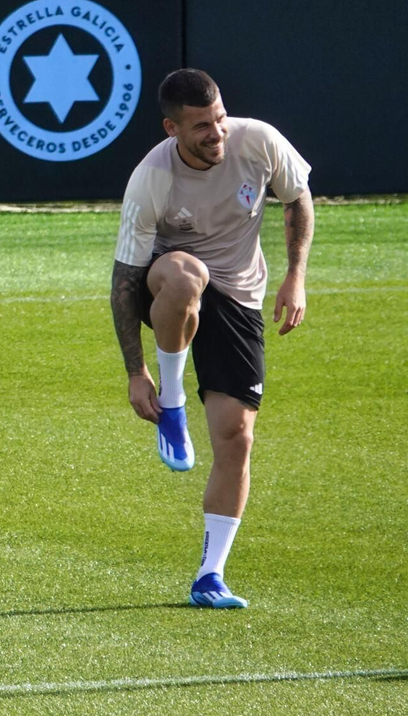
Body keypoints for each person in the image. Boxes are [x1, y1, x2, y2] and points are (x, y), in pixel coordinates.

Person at [110, 68, 313, 608]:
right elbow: (125, 282)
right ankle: (173, 405)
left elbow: (297, 197)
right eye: (202, 126)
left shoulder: (260, 141)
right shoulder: (152, 176)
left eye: (220, 118)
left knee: (236, 437)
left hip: (241, 296)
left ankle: (210, 576)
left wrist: (295, 276)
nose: (217, 133)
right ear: (172, 129)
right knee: (184, 274)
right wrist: (137, 373)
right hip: (170, 283)